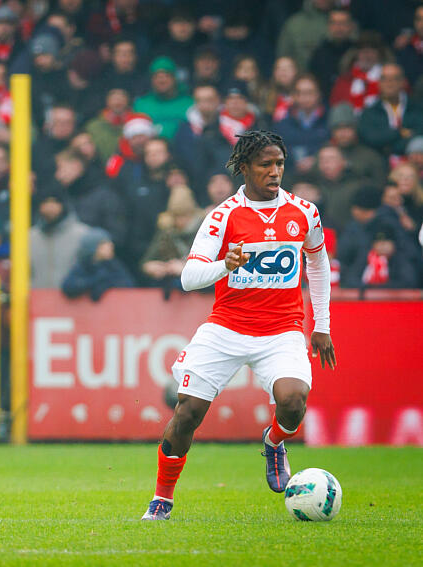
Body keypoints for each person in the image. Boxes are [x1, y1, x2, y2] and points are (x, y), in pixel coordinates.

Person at [142, 130, 335, 521]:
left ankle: (274, 442)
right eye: (265, 164)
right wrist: (225, 265)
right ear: (244, 167)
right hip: (226, 328)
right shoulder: (223, 215)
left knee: (293, 401)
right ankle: (162, 499)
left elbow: (317, 263)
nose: (275, 171)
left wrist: (322, 324)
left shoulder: (304, 212)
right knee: (187, 412)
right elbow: (189, 277)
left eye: (279, 163)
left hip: (281, 329)